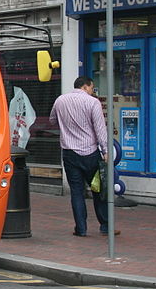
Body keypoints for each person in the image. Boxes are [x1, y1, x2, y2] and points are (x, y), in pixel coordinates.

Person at [50, 76, 119, 237]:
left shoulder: (60, 100)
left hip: (69, 153)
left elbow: (52, 120)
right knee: (98, 189)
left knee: (76, 192)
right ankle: (105, 225)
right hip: (90, 153)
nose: (92, 91)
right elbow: (100, 128)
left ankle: (81, 228)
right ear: (86, 86)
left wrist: (67, 126)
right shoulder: (92, 102)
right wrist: (106, 151)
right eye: (92, 88)